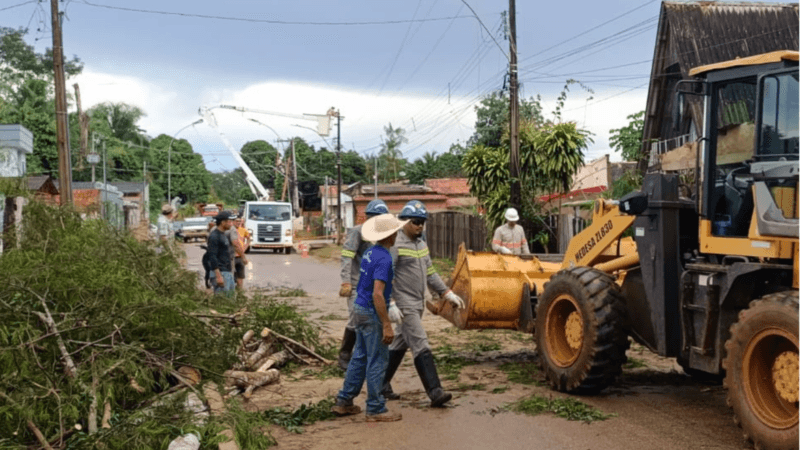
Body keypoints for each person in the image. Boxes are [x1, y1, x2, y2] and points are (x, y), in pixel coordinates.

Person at [381, 200, 465, 407]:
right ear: (404, 221)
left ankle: (380, 383)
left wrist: (446, 293)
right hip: (404, 304)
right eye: (416, 222)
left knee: (400, 342)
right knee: (420, 343)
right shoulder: (396, 244)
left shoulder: (421, 244)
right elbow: (387, 276)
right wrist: (390, 303)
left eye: (422, 222)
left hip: (418, 302)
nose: (420, 226)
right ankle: (435, 391)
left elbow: (430, 273)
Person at [331, 213, 406, 422]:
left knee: (360, 356)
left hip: (359, 307)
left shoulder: (370, 253)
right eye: (396, 232)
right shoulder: (385, 258)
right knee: (378, 359)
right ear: (390, 235)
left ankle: (344, 400)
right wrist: (386, 324)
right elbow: (377, 294)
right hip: (372, 311)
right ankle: (375, 407)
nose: (398, 235)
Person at [337, 198, 389, 371]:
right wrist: (345, 281)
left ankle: (368, 354)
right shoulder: (357, 232)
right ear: (367, 218)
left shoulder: (385, 235)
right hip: (356, 283)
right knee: (356, 317)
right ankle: (345, 353)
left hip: (375, 285)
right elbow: (347, 257)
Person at [207, 211, 235, 296]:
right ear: (223, 222)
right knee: (222, 300)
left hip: (227, 272)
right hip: (221, 273)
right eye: (229, 222)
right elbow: (212, 256)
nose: (231, 224)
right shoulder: (214, 236)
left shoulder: (223, 234)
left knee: (230, 299)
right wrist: (218, 276)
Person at [225, 214, 249, 291]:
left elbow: (249, 239)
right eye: (236, 221)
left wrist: (245, 248)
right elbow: (235, 244)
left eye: (239, 221)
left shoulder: (243, 230)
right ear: (232, 222)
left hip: (240, 256)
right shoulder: (229, 230)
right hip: (231, 257)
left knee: (240, 276)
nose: (238, 223)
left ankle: (239, 293)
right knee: (230, 276)